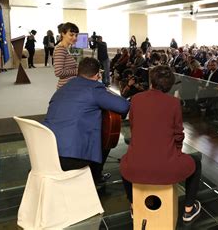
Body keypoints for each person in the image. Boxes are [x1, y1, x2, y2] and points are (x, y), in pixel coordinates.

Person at [120, 65, 202, 223]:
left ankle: (133, 205)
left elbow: (134, 127)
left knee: (125, 162)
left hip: (136, 166)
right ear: (170, 85)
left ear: (151, 81)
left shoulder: (136, 99)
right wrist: (175, 153)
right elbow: (178, 135)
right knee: (196, 162)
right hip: (167, 167)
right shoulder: (173, 103)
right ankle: (188, 210)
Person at [44, 57, 130, 186]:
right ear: (97, 75)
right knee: (105, 139)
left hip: (46, 152)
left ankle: (95, 176)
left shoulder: (63, 88)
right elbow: (123, 106)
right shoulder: (93, 89)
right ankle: (95, 177)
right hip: (71, 157)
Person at [53, 23, 79, 89]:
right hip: (65, 88)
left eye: (76, 35)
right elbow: (58, 72)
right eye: (71, 35)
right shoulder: (60, 49)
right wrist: (78, 71)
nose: (74, 38)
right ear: (63, 34)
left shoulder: (66, 48)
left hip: (70, 86)